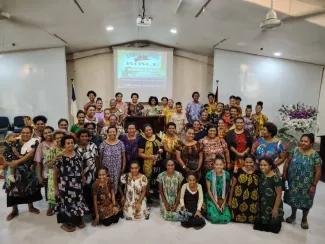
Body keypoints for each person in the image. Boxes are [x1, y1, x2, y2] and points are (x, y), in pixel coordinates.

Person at [2, 126, 42, 221]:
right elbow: (6, 153)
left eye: (27, 132)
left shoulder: (34, 142)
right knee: (12, 190)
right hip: (13, 171)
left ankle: (31, 207)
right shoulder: (14, 142)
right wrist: (8, 163)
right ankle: (14, 210)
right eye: (23, 132)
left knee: (29, 189)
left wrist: (17, 162)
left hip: (28, 169)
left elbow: (31, 155)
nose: (25, 134)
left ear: (31, 133)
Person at [283, 133, 322, 229]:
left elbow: (318, 172)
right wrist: (284, 175)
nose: (303, 143)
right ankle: (293, 215)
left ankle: (304, 219)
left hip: (307, 184)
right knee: (293, 198)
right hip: (293, 181)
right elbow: (287, 162)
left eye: (306, 141)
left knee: (306, 201)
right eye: (302, 141)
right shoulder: (295, 151)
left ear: (311, 143)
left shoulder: (315, 156)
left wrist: (314, 185)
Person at [53, 135, 88, 232]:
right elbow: (55, 173)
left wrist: (83, 176)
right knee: (66, 204)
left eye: (72, 143)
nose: (70, 145)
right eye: (68, 143)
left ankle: (78, 220)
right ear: (64, 145)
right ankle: (66, 223)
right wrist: (55, 188)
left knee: (78, 202)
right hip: (65, 187)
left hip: (77, 185)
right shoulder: (59, 157)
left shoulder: (78, 154)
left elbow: (81, 167)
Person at [253, 158, 283, 234]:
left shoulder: (275, 178)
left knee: (273, 228)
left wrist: (275, 209)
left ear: (270, 166)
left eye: (265, 165)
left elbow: (279, 194)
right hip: (263, 204)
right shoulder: (261, 175)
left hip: (272, 204)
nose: (262, 167)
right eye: (261, 165)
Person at [228, 154, 258, 223]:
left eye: (251, 162)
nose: (248, 164)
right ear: (243, 162)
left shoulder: (257, 173)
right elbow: (233, 186)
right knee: (235, 218)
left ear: (254, 162)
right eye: (247, 162)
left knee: (252, 220)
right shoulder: (238, 171)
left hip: (252, 200)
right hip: (239, 199)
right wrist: (230, 200)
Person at [138, 124, 163, 200]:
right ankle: (147, 196)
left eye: (150, 130)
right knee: (148, 179)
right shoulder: (143, 140)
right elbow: (139, 153)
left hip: (158, 162)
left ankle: (157, 193)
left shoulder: (156, 137)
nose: (149, 131)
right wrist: (151, 157)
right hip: (147, 163)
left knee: (157, 177)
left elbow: (161, 146)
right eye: (146, 130)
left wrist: (161, 150)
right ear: (144, 132)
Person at [76, 129, 99, 212]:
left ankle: (93, 209)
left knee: (93, 192)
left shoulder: (93, 145)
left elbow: (97, 159)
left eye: (86, 136)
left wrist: (98, 171)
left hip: (92, 173)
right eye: (82, 136)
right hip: (80, 174)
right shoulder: (75, 148)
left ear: (89, 137)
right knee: (82, 192)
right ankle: (83, 210)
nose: (84, 138)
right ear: (79, 137)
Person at [45, 129, 66, 215]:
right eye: (57, 138)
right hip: (53, 174)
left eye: (61, 137)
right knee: (52, 191)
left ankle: (63, 207)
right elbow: (48, 165)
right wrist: (53, 160)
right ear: (54, 139)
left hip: (65, 175)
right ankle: (50, 207)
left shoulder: (67, 148)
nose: (59, 139)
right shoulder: (51, 150)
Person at [34, 126, 55, 216]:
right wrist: (39, 176)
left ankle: (59, 205)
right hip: (47, 172)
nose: (48, 134)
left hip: (59, 171)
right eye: (45, 133)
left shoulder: (58, 142)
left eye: (49, 132)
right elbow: (38, 162)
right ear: (43, 135)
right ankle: (50, 206)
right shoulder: (41, 145)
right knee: (49, 189)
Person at [99, 126, 126, 193]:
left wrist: (123, 168)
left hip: (117, 168)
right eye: (110, 132)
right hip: (106, 169)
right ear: (107, 133)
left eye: (113, 132)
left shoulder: (121, 143)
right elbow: (100, 157)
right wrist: (100, 168)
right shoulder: (103, 144)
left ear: (116, 133)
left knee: (115, 183)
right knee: (106, 183)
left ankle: (115, 199)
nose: (112, 133)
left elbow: (123, 157)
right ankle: (107, 200)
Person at [205, 156, 231, 224]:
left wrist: (223, 203)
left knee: (227, 218)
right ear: (213, 164)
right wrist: (216, 205)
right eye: (216, 164)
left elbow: (227, 191)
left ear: (223, 165)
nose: (218, 166)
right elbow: (209, 191)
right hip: (212, 199)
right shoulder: (209, 174)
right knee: (214, 218)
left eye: (220, 164)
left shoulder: (227, 174)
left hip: (222, 199)